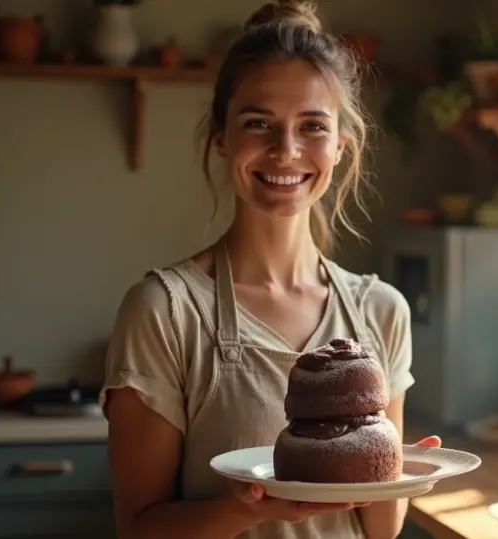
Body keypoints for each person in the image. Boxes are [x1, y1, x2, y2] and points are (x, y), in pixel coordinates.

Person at [99, 1, 439, 538]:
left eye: (312, 126)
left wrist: (399, 471)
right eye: (259, 123)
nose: (286, 150)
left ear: (340, 146)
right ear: (221, 136)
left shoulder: (381, 313)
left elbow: (381, 529)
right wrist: (250, 508)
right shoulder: (164, 311)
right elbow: (139, 530)